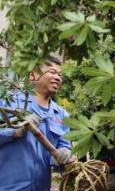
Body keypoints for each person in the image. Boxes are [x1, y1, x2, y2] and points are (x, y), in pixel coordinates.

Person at [0, 55, 73, 191]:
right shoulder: (9, 102)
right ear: (33, 75)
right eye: (52, 72)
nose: (58, 77)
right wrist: (13, 133)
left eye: (60, 74)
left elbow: (63, 152)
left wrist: (64, 155)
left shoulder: (62, 115)